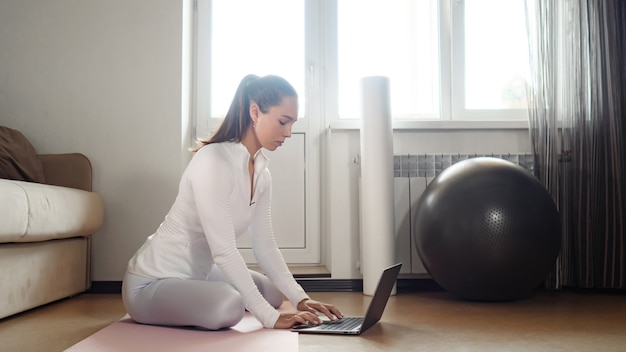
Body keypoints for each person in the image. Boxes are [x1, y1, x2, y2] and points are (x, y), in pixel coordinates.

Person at [122, 74, 343, 330]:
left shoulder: (261, 172)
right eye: (283, 122)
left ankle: (213, 295)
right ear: (255, 112)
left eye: (292, 123)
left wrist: (300, 298)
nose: (289, 133)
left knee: (270, 293)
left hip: (199, 275)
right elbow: (224, 252)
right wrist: (270, 319)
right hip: (152, 283)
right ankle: (211, 299)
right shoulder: (213, 161)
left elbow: (265, 245)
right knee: (229, 306)